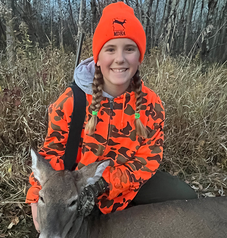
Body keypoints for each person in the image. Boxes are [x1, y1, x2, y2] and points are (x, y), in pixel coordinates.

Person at [26, 1, 197, 232]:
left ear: (139, 56)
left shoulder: (151, 105)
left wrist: (105, 184)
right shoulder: (72, 101)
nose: (120, 59)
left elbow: (149, 158)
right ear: (98, 56)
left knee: (185, 198)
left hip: (124, 183)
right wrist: (39, 196)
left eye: (129, 48)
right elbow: (53, 151)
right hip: (78, 186)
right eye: (110, 49)